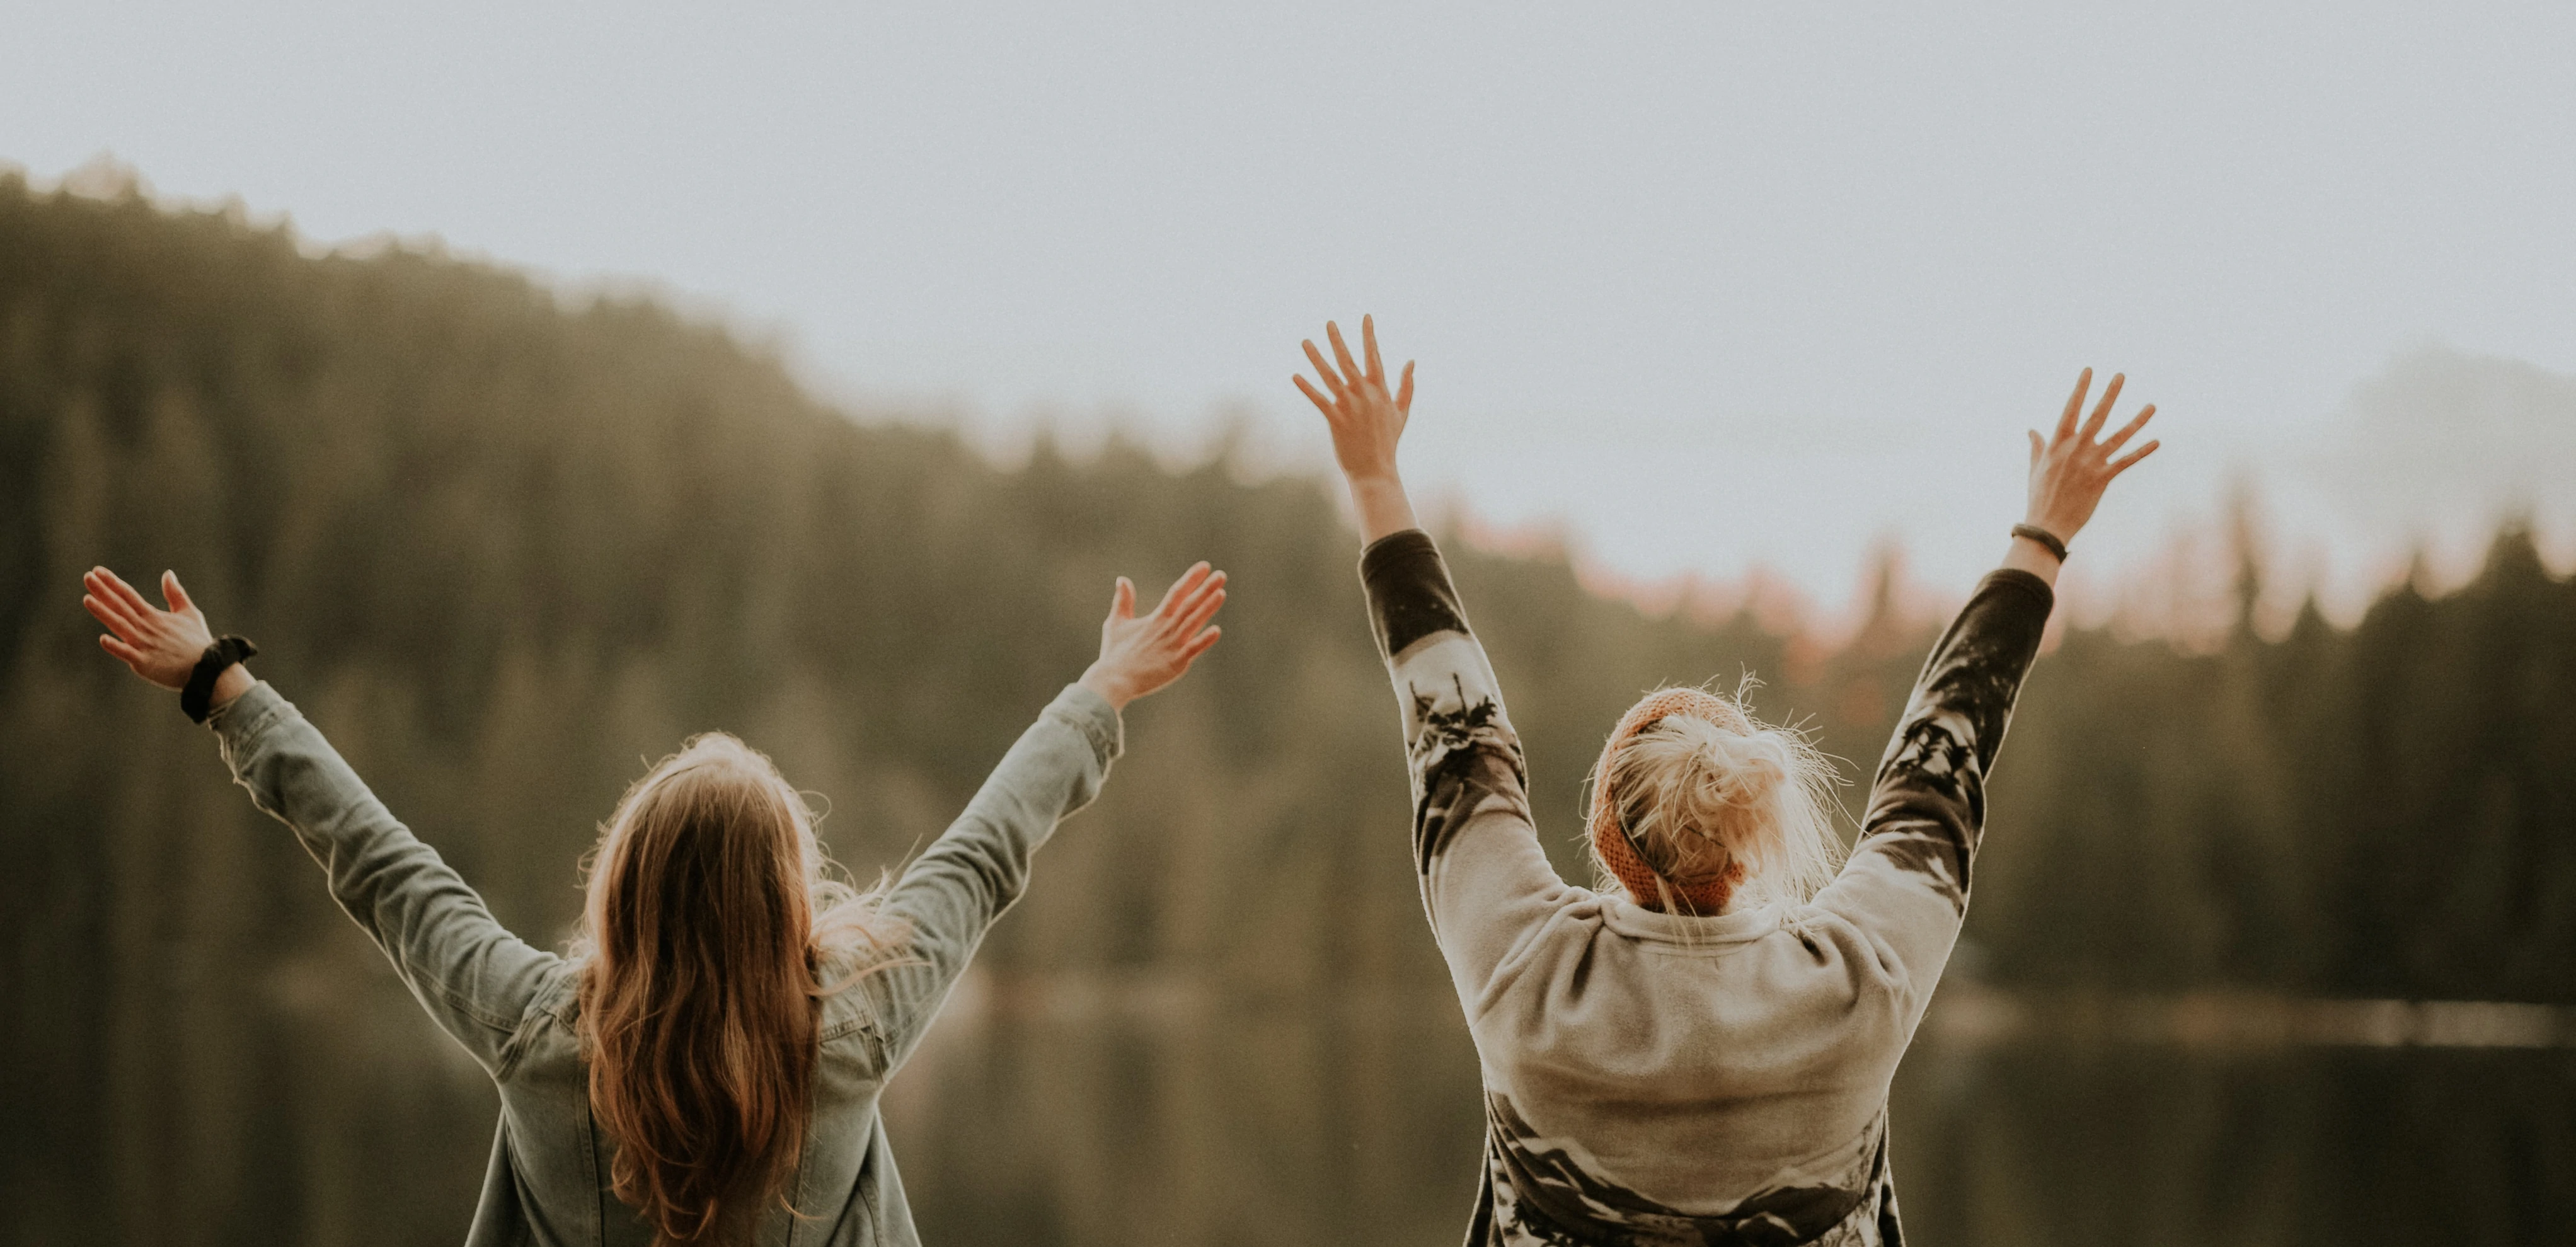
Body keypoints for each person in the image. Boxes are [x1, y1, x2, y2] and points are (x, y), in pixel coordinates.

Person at [1296, 317, 2158, 1246]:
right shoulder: (1850, 987)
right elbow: (1941, 763)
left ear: (1610, 838)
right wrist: (2043, 536)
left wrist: (1376, 482)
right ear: (1750, 834)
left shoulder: (1529, 977)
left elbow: (1456, 741)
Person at [79, 560, 1227, 1246]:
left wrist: (220, 685)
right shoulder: (851, 1032)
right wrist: (1104, 686)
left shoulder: (534, 1028)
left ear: (620, 889)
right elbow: (984, 854)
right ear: (786, 902)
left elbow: (382, 867)